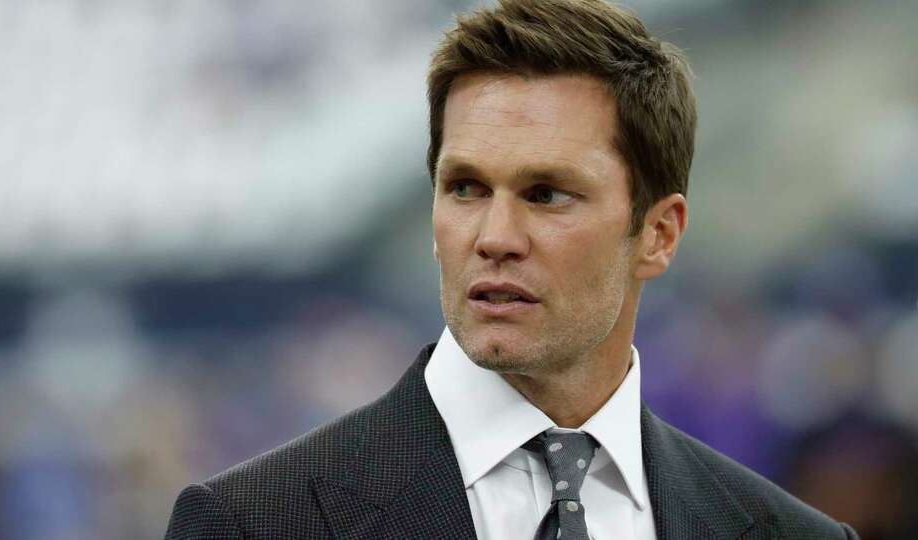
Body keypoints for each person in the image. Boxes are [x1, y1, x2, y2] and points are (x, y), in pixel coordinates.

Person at [165, 1, 858, 538]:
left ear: (657, 234)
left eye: (546, 194)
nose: (494, 237)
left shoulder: (787, 533)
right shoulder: (254, 524)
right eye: (465, 188)